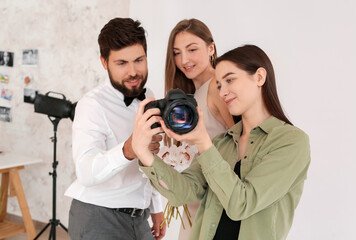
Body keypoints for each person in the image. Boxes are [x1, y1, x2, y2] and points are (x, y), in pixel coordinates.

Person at [132, 45, 311, 240]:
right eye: (218, 85)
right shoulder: (221, 143)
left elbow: (241, 204)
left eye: (230, 80)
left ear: (259, 77)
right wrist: (144, 153)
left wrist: (202, 142)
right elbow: (182, 193)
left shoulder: (291, 142)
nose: (223, 91)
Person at [65, 18, 166, 240]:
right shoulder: (91, 105)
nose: (133, 72)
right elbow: (86, 171)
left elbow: (150, 158)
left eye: (138, 60)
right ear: (104, 62)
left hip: (139, 217)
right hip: (98, 217)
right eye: (121, 63)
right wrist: (129, 149)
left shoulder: (148, 96)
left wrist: (156, 205)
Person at [162, 18, 234, 239]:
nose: (184, 59)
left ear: (211, 48)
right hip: (194, 199)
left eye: (192, 49)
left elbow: (242, 142)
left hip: (215, 200)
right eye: (176, 53)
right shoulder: (188, 96)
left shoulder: (216, 87)